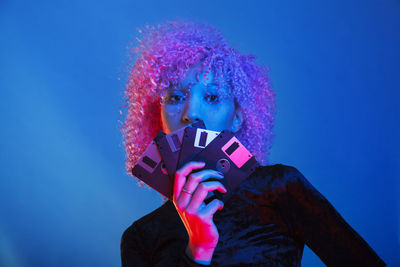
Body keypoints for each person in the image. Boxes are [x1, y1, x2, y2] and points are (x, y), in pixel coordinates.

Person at [120, 21, 385, 266]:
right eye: (176, 97)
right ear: (158, 116)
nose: (192, 112)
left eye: (212, 97)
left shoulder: (281, 188)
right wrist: (198, 249)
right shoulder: (140, 237)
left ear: (237, 118)